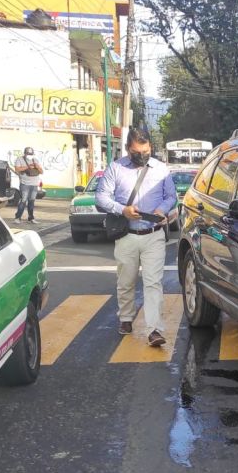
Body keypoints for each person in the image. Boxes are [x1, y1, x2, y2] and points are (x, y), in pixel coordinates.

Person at [96, 129, 176, 348]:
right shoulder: (116, 168)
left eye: (146, 151)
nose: (142, 156)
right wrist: (122, 210)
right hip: (127, 235)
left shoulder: (161, 169)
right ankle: (126, 317)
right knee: (126, 280)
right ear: (127, 149)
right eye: (137, 152)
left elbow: (171, 196)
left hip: (154, 234)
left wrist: (161, 210)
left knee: (153, 283)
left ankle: (154, 330)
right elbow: (101, 197)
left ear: (151, 147)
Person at [12, 146, 43, 224]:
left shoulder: (35, 160)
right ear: (25, 153)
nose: (29, 155)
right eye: (28, 154)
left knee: (31, 201)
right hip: (25, 184)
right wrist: (28, 166)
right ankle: (17, 217)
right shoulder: (19, 159)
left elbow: (41, 171)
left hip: (34, 184)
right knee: (23, 200)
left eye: (31, 154)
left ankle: (31, 218)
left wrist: (37, 166)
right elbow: (17, 169)